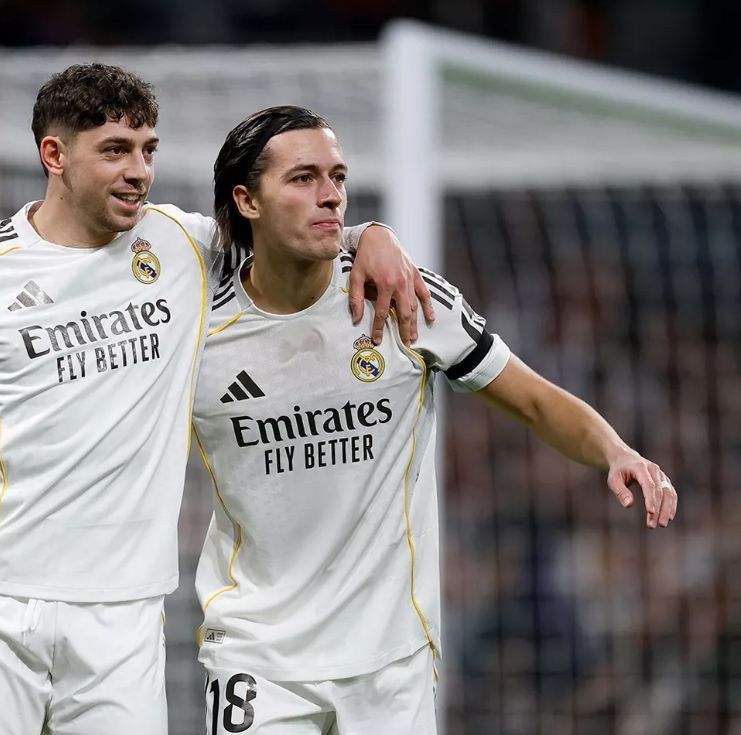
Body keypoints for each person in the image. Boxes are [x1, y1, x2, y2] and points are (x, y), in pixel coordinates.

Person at [0, 66, 432, 735]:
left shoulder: (181, 245)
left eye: (148, 149)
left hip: (124, 622)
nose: (139, 171)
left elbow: (289, 230)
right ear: (55, 155)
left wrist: (371, 235)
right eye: (115, 150)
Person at [184, 105, 677, 733]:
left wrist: (616, 450)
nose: (331, 195)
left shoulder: (405, 299)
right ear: (247, 200)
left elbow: (533, 399)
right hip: (257, 653)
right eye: (303, 178)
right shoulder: (195, 325)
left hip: (390, 656)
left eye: (338, 176)